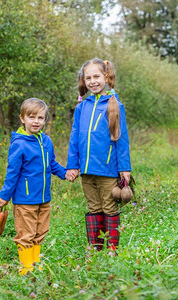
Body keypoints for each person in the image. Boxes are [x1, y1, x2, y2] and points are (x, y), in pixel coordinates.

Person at [0, 98, 75, 275]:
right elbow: (12, 173)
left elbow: (52, 164)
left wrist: (64, 173)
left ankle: (35, 262)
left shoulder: (46, 141)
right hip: (25, 199)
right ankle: (25, 268)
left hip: (43, 198)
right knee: (26, 233)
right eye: (31, 117)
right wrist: (4, 195)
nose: (36, 121)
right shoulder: (19, 144)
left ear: (45, 120)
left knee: (40, 232)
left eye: (40, 118)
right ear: (22, 118)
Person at [67, 58, 131, 254]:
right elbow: (74, 137)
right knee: (93, 207)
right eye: (88, 78)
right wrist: (73, 165)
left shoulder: (115, 105)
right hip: (86, 170)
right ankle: (95, 248)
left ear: (106, 77)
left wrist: (124, 168)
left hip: (107, 169)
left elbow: (122, 140)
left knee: (109, 207)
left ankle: (112, 248)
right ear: (83, 81)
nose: (92, 81)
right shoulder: (81, 108)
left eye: (96, 76)